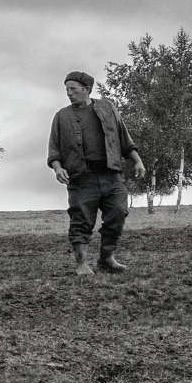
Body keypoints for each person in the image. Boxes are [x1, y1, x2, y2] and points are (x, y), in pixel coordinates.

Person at [47, 70, 145, 275]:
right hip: (81, 178)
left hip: (111, 175)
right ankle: (81, 264)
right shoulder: (61, 116)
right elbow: (54, 150)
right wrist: (58, 168)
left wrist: (137, 161)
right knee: (81, 220)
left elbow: (124, 139)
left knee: (118, 213)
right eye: (67, 90)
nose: (69, 93)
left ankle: (106, 258)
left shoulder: (107, 107)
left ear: (87, 89)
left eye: (73, 89)